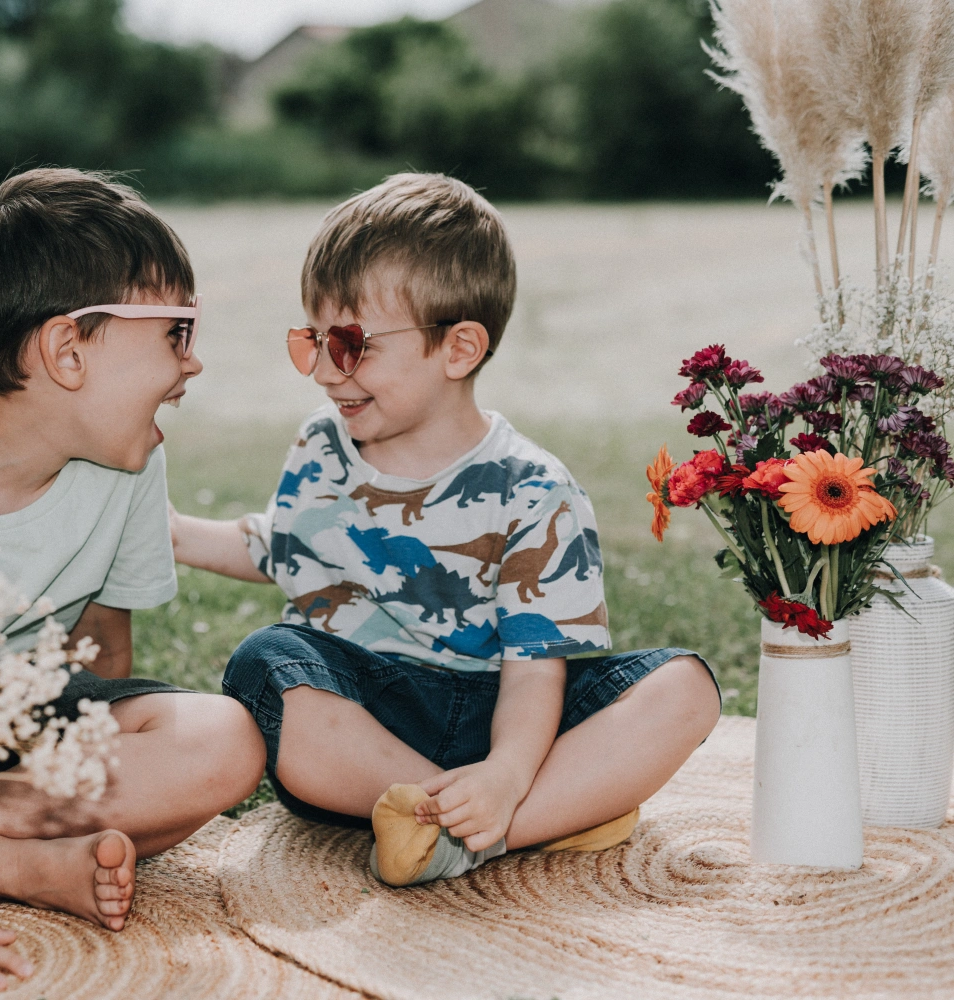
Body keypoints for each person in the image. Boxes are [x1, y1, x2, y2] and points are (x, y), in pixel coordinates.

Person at [170, 172, 720, 890]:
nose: (327, 373)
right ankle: (534, 814)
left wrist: (507, 770)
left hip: (510, 709)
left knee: (686, 689)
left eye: (352, 344)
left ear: (459, 350)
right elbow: (281, 545)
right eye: (314, 341)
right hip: (371, 717)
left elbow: (535, 669)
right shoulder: (319, 448)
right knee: (267, 664)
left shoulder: (533, 488)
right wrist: (172, 532)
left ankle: (474, 820)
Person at [0, 168, 266, 991]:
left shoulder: (131, 462)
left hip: (17, 731)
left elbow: (101, 653)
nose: (193, 363)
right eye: (176, 332)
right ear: (67, 349)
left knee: (226, 743)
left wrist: (108, 776)